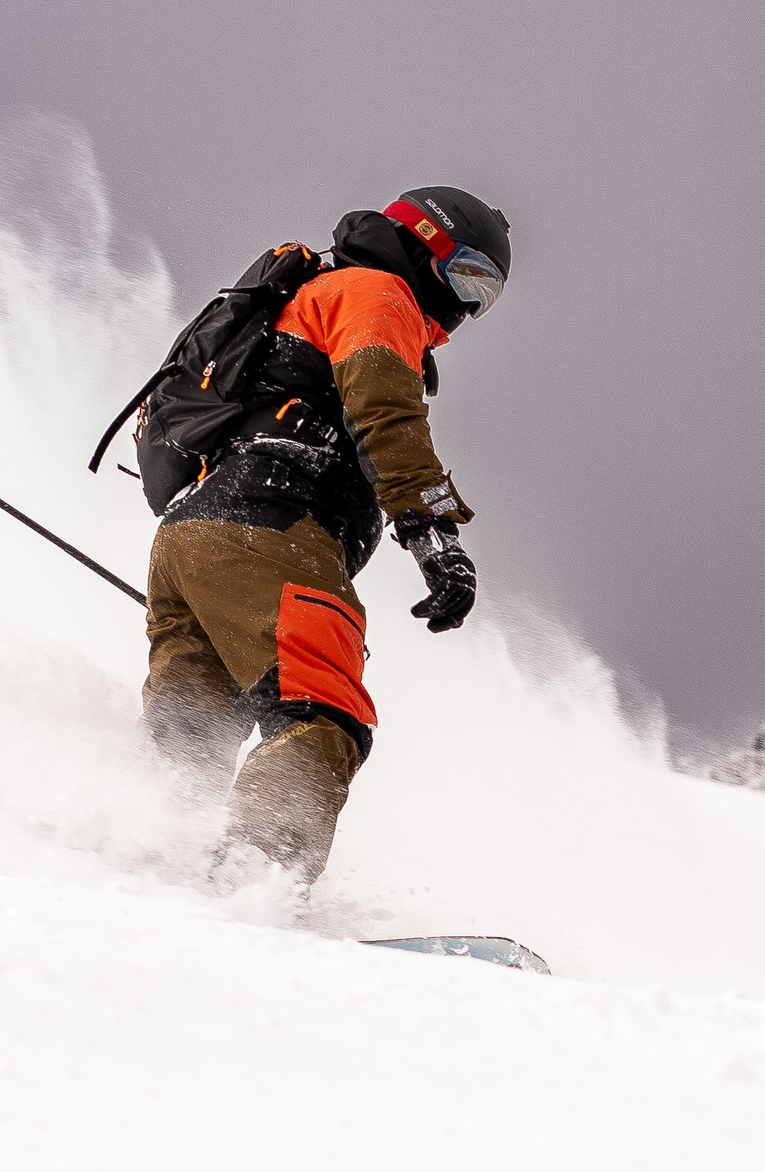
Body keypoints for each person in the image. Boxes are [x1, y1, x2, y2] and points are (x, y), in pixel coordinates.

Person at [140, 187, 511, 885]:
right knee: (322, 718)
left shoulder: (312, 295)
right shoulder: (377, 292)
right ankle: (253, 885)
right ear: (427, 245)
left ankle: (159, 867)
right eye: (467, 277)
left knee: (191, 739)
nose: (465, 308)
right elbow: (387, 414)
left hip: (194, 535)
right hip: (273, 526)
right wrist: (435, 536)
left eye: (483, 297)